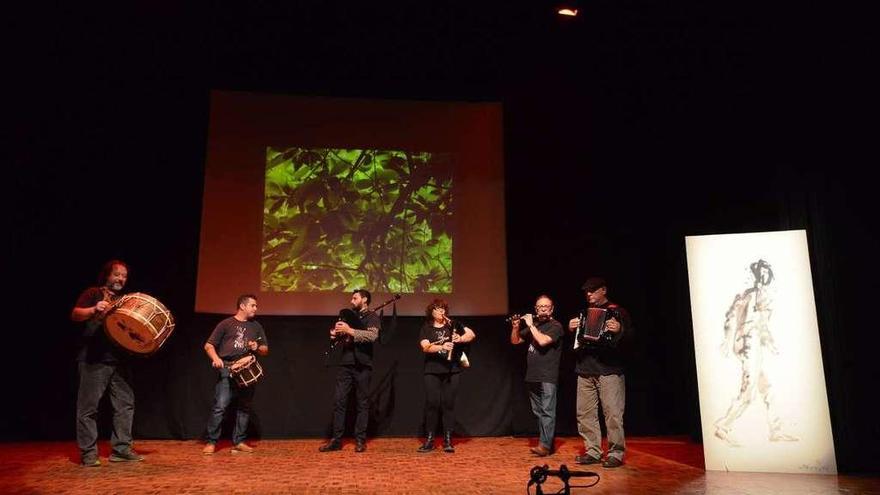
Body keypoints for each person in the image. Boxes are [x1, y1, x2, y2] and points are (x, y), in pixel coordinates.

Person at [714, 259, 797, 446]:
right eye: (763, 272)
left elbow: (759, 324)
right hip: (748, 344)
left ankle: (776, 430)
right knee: (749, 390)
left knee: (767, 388)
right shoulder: (751, 296)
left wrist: (770, 343)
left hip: (753, 344)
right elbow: (737, 318)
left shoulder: (759, 296)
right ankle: (723, 426)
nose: (765, 276)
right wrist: (728, 341)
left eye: (767, 272)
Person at [71, 260, 143, 467]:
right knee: (88, 408)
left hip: (119, 360)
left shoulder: (124, 300)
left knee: (125, 405)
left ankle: (121, 449)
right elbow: (75, 314)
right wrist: (94, 309)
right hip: (94, 358)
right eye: (117, 274)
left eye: (124, 276)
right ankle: (88, 454)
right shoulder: (93, 293)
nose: (121, 279)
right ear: (107, 276)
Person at [568, 277, 632, 468]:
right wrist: (573, 329)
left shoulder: (618, 312)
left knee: (612, 413)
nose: (589, 294)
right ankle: (593, 451)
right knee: (585, 414)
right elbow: (578, 343)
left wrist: (620, 329)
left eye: (593, 290)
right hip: (585, 369)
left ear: (603, 290)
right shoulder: (583, 314)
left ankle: (616, 453)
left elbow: (631, 339)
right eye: (587, 291)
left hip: (609, 370)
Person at [202, 294, 269, 454]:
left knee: (244, 407)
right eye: (253, 305)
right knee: (220, 406)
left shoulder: (256, 326)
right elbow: (208, 345)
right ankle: (211, 442)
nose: (255, 308)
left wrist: (256, 347)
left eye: (256, 306)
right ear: (242, 306)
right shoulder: (226, 324)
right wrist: (216, 359)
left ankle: (239, 441)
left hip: (247, 369)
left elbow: (265, 350)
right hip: (227, 368)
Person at [319, 289, 381, 453]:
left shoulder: (372, 316)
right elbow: (344, 337)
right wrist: (336, 335)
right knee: (339, 401)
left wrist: (349, 331)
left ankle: (360, 440)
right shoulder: (348, 316)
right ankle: (336, 440)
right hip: (346, 363)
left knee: (362, 403)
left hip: (363, 364)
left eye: (355, 298)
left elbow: (372, 336)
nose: (351, 300)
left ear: (365, 299)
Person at [416, 299, 476, 453]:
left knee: (448, 405)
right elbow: (425, 347)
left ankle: (448, 440)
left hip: (452, 370)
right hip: (432, 370)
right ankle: (429, 440)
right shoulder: (426, 327)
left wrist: (460, 338)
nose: (440, 311)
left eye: (442, 308)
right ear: (432, 311)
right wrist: (441, 347)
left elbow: (471, 334)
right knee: (432, 404)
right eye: (436, 309)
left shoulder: (454, 325)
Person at [510, 295, 564, 457]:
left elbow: (542, 341)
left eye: (546, 306)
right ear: (535, 309)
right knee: (538, 412)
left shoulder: (556, 326)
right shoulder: (537, 324)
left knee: (547, 411)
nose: (542, 309)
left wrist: (531, 326)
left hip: (548, 375)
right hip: (532, 375)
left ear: (552, 309)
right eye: (539, 307)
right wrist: (515, 326)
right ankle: (547, 442)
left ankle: (545, 446)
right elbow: (515, 341)